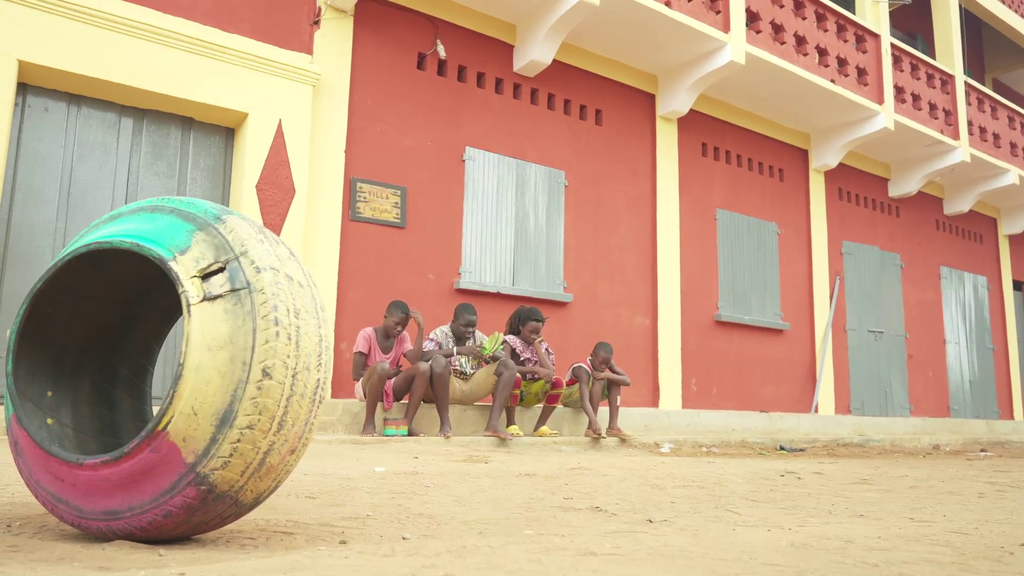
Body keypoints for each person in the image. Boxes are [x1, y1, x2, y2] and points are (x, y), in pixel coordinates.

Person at [421, 302, 518, 440]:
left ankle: (492, 425)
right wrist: (457, 351)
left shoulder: (478, 337)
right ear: (454, 322)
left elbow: (504, 358)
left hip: (471, 387)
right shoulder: (440, 333)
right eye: (465, 326)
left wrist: (488, 353)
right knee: (438, 361)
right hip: (447, 388)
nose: (470, 330)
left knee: (508, 365)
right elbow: (422, 356)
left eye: (473, 326)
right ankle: (445, 424)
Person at [351, 300, 430, 437]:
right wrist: (388, 373)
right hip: (367, 386)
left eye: (404, 326)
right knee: (383, 367)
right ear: (385, 317)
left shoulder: (402, 337)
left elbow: (415, 360)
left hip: (390, 387)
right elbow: (356, 374)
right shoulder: (367, 335)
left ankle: (407, 424)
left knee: (423, 368)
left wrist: (420, 329)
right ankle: (369, 423)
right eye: (396, 323)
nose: (400, 329)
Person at [501, 305, 564, 437]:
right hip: (512, 391)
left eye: (538, 333)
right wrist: (534, 369)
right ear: (520, 327)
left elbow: (549, 371)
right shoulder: (510, 342)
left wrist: (537, 347)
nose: (534, 336)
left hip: (531, 391)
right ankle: (511, 424)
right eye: (530, 332)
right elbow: (506, 366)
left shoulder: (541, 346)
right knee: (514, 377)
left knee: (558, 382)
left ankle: (540, 426)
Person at [562, 342, 632, 438]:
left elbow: (627, 381)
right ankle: (591, 427)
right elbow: (584, 400)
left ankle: (613, 427)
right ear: (592, 356)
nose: (604, 366)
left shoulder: (606, 363)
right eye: (601, 363)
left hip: (586, 395)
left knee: (614, 380)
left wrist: (606, 375)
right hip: (569, 398)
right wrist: (595, 421)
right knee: (599, 380)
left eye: (607, 364)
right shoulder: (583, 369)